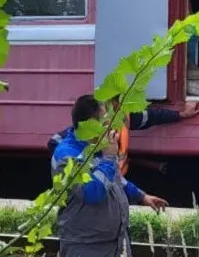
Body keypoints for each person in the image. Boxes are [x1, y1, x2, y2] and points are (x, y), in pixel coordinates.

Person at [52, 95, 169, 257]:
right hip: (87, 246)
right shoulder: (66, 156)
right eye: (105, 122)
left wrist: (141, 196)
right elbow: (91, 192)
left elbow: (115, 180)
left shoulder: (98, 146)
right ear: (91, 126)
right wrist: (108, 158)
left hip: (115, 243)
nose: (111, 127)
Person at [48, 101, 199, 176]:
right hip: (99, 180)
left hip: (117, 179)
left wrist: (180, 115)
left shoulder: (125, 117)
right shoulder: (82, 133)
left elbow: (152, 116)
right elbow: (54, 142)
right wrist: (89, 159)